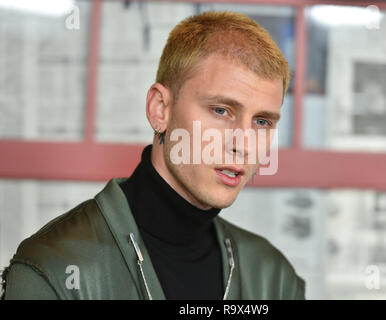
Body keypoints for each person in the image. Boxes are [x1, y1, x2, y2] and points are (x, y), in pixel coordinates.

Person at [1, 11, 305, 300]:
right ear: (161, 109)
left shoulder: (274, 278)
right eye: (221, 110)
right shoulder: (53, 270)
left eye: (262, 121)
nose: (245, 143)